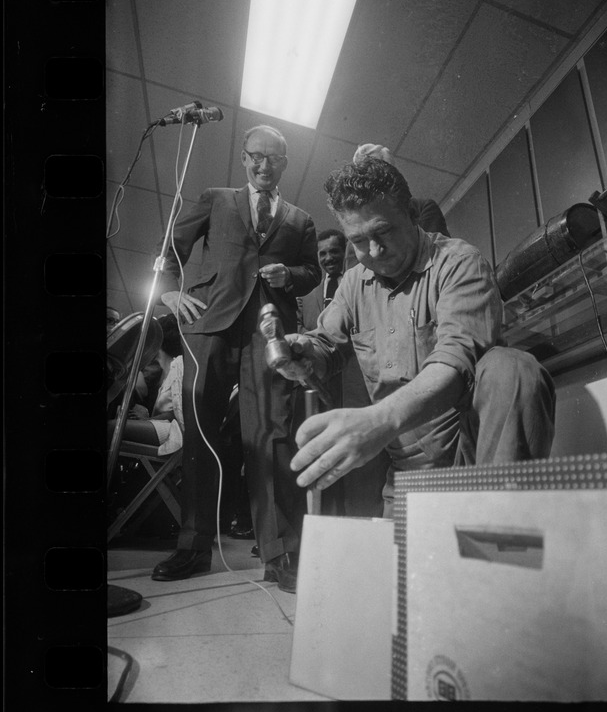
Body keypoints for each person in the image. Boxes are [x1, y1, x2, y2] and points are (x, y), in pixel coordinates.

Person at [276, 157, 556, 516]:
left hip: (473, 458)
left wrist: (378, 421)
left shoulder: (458, 262)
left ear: (410, 212)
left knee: (512, 367)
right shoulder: (353, 283)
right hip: (408, 476)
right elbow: (325, 343)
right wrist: (302, 353)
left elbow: (456, 363)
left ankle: (500, 529)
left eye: (384, 232)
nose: (374, 252)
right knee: (405, 570)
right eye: (359, 241)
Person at [150, 125, 320, 591]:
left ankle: (280, 553)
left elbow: (312, 272)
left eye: (273, 159)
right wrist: (167, 295)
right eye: (255, 157)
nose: (263, 166)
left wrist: (291, 276)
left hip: (267, 331)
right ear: (244, 158)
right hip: (210, 322)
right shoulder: (215, 198)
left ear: (285, 163)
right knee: (199, 432)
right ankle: (193, 547)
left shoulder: (301, 220)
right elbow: (171, 250)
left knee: (271, 434)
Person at [296, 229, 388, 517]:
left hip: (357, 381)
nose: (328, 258)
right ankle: (330, 519)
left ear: (344, 251)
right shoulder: (307, 296)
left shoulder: (361, 281)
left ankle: (361, 516)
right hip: (320, 386)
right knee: (325, 452)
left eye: (333, 251)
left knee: (361, 456)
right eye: (322, 253)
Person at [343, 143, 449, 269]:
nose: (371, 179)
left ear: (393, 173)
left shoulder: (422, 208)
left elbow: (438, 257)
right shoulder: (355, 233)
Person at [107, 313, 185, 453]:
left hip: (172, 429)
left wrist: (148, 420)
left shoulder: (178, 366)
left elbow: (178, 413)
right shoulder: (166, 371)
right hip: (163, 424)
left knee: (112, 428)